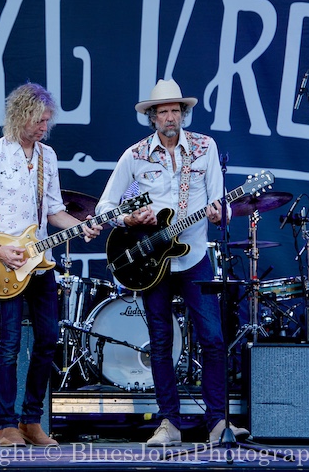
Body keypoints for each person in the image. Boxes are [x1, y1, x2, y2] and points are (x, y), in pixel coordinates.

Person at [96, 79, 250, 446]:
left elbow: (221, 202)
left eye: (175, 110)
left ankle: (217, 422)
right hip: (152, 261)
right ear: (151, 117)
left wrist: (220, 215)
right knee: (160, 342)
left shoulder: (203, 147)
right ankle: (169, 422)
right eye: (163, 111)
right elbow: (104, 208)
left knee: (213, 339)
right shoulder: (134, 155)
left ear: (184, 114)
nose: (170, 117)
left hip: (194, 255)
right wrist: (129, 219)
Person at [0, 82, 101, 447]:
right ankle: (6, 424)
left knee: (49, 339)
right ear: (20, 116)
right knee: (9, 342)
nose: (44, 127)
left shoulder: (46, 158)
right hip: (4, 261)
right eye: (38, 121)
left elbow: (53, 211)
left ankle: (31, 421)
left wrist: (82, 226)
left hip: (40, 262)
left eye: (47, 122)